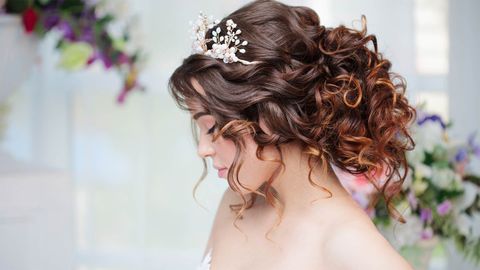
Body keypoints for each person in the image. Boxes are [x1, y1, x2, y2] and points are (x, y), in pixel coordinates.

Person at [169, 0, 416, 269]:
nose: (202, 149)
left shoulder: (353, 248)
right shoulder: (238, 203)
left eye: (212, 127)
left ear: (269, 117)